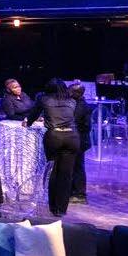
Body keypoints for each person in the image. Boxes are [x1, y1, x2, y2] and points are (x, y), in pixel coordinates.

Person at [26, 78, 82, 216]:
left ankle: (53, 207)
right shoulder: (72, 101)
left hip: (54, 137)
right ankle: (61, 209)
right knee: (66, 174)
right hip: (72, 137)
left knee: (53, 171)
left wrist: (28, 123)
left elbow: (33, 115)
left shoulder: (43, 99)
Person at [69, 81, 92, 202]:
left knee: (77, 167)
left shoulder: (81, 106)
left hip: (80, 140)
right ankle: (75, 192)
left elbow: (75, 122)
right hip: (78, 139)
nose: (68, 93)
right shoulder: (77, 103)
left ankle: (79, 194)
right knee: (75, 166)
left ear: (77, 93)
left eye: (70, 91)